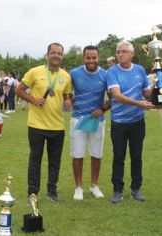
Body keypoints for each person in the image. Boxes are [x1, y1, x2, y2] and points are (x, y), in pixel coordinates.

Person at [16, 43, 72, 203]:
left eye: (59, 53)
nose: (56, 56)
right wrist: (33, 100)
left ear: (62, 56)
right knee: (35, 160)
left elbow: (67, 97)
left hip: (57, 126)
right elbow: (19, 90)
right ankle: (32, 194)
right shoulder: (35, 72)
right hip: (36, 125)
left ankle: (52, 191)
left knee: (55, 161)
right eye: (53, 53)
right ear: (47, 55)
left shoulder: (66, 76)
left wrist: (68, 103)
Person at [106, 41, 154, 204]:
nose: (120, 54)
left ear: (132, 54)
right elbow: (117, 96)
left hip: (137, 122)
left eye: (123, 52)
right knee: (119, 156)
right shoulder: (112, 71)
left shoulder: (140, 70)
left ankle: (136, 189)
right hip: (119, 122)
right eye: (118, 52)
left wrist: (159, 83)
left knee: (136, 156)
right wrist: (139, 103)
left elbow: (146, 93)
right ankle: (117, 190)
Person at [69, 45, 109, 200]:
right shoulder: (74, 73)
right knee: (77, 154)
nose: (91, 60)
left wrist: (103, 109)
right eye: (88, 57)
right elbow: (66, 92)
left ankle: (94, 185)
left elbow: (112, 97)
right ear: (83, 58)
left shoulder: (105, 75)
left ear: (98, 57)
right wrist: (70, 101)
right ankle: (78, 187)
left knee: (96, 154)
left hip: (96, 120)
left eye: (94, 57)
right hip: (78, 119)